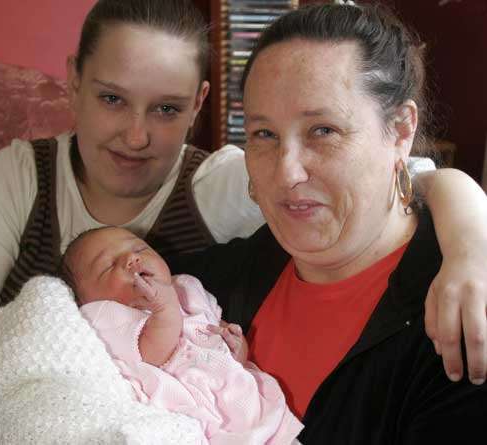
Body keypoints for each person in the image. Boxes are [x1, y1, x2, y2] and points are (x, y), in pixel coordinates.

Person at [0, 0, 485, 385]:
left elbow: (396, 172)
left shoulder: (218, 182)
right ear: (74, 82)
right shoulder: (22, 173)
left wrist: (471, 242)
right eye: (112, 98)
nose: (136, 136)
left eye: (166, 109)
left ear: (199, 101)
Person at [164, 2, 487, 443]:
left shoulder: (461, 324)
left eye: (324, 131)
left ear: (401, 131)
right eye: (264, 135)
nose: (287, 172)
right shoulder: (221, 283)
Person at [59, 225, 304, 444]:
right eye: (109, 265)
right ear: (85, 299)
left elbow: (214, 333)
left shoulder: (186, 287)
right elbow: (153, 355)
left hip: (232, 396)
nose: (131, 259)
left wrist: (236, 348)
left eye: (140, 249)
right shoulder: (104, 315)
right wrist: (164, 309)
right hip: (183, 409)